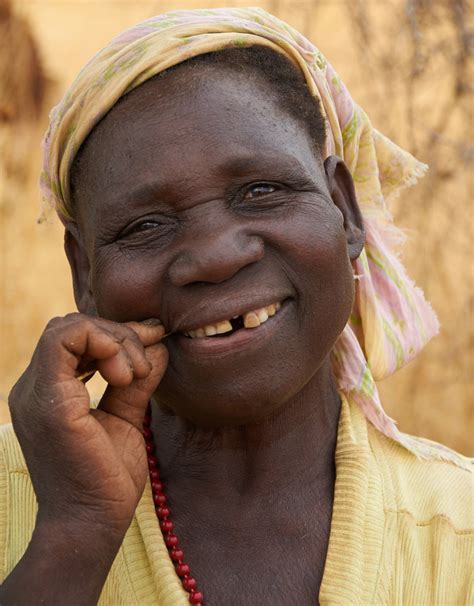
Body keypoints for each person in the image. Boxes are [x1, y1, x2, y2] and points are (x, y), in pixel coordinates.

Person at [0, 8, 471, 605]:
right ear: (85, 273)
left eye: (262, 191)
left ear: (344, 210)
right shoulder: (16, 501)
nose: (216, 257)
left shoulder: (458, 533)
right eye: (145, 225)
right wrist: (74, 533)